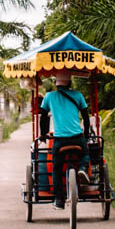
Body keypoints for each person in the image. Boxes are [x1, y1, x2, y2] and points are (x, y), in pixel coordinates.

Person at [39, 71, 92, 210]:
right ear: (69, 83)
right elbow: (86, 117)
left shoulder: (49, 96)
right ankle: (82, 168)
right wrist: (86, 133)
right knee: (85, 154)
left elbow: (43, 117)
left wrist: (43, 134)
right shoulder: (78, 95)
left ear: (56, 85)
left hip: (60, 140)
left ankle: (59, 200)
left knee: (56, 168)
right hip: (77, 138)